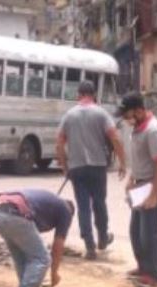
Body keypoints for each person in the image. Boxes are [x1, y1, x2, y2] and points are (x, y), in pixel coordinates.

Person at [56, 80, 127, 260]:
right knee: (99, 203)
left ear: (79, 95)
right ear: (94, 95)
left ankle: (89, 247)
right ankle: (102, 238)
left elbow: (59, 143)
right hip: (97, 166)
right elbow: (115, 138)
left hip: (77, 168)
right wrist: (122, 162)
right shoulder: (101, 113)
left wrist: (64, 165)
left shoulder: (69, 115)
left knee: (83, 207)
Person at [0, 189, 76, 287]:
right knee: (42, 259)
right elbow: (57, 246)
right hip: (14, 215)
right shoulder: (66, 212)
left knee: (21, 257)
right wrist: (54, 273)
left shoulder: (47, 206)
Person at [119, 92, 157, 287]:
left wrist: (154, 193)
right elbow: (140, 158)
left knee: (150, 232)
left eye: (129, 115)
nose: (127, 119)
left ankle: (154, 274)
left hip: (152, 184)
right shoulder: (138, 129)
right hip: (140, 184)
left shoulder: (153, 130)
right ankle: (143, 267)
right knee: (136, 231)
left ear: (140, 110)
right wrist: (132, 178)